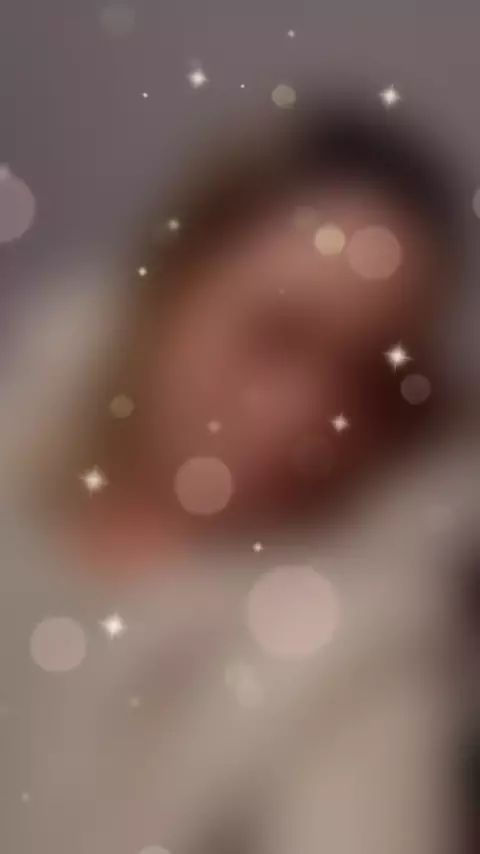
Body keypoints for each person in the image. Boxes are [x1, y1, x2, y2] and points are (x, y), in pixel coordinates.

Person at [1, 89, 478, 854]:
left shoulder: (364, 658)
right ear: (172, 287)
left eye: (366, 377)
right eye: (276, 337)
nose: (308, 413)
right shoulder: (22, 475)